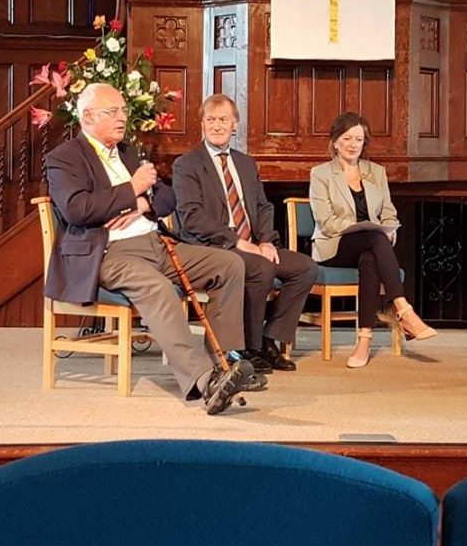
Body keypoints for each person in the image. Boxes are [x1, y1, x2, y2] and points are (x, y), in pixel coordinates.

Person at [44, 82, 256, 415]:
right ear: (88, 116)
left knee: (229, 264)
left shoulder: (129, 153)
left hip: (156, 243)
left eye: (124, 111)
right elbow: (75, 209)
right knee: (159, 289)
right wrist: (133, 188)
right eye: (112, 111)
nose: (122, 118)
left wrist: (142, 205)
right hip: (108, 254)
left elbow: (168, 198)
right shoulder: (64, 158)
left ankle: (223, 366)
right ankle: (204, 381)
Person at [173, 94, 316, 374]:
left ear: (234, 125)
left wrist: (265, 240)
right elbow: (192, 218)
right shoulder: (187, 164)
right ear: (202, 125)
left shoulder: (245, 163)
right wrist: (237, 241)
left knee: (305, 268)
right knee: (260, 267)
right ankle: (249, 348)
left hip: (251, 244)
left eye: (223, 120)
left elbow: (262, 206)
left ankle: (269, 338)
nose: (217, 126)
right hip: (212, 248)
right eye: (210, 120)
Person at [309, 111, 437, 369]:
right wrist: (363, 228)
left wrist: (389, 227)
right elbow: (327, 221)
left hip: (370, 246)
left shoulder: (376, 172)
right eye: (346, 138)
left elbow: (388, 211)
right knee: (373, 237)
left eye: (358, 139)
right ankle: (403, 309)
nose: (352, 144)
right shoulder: (321, 174)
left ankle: (364, 340)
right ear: (335, 142)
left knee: (371, 256)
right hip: (335, 245)